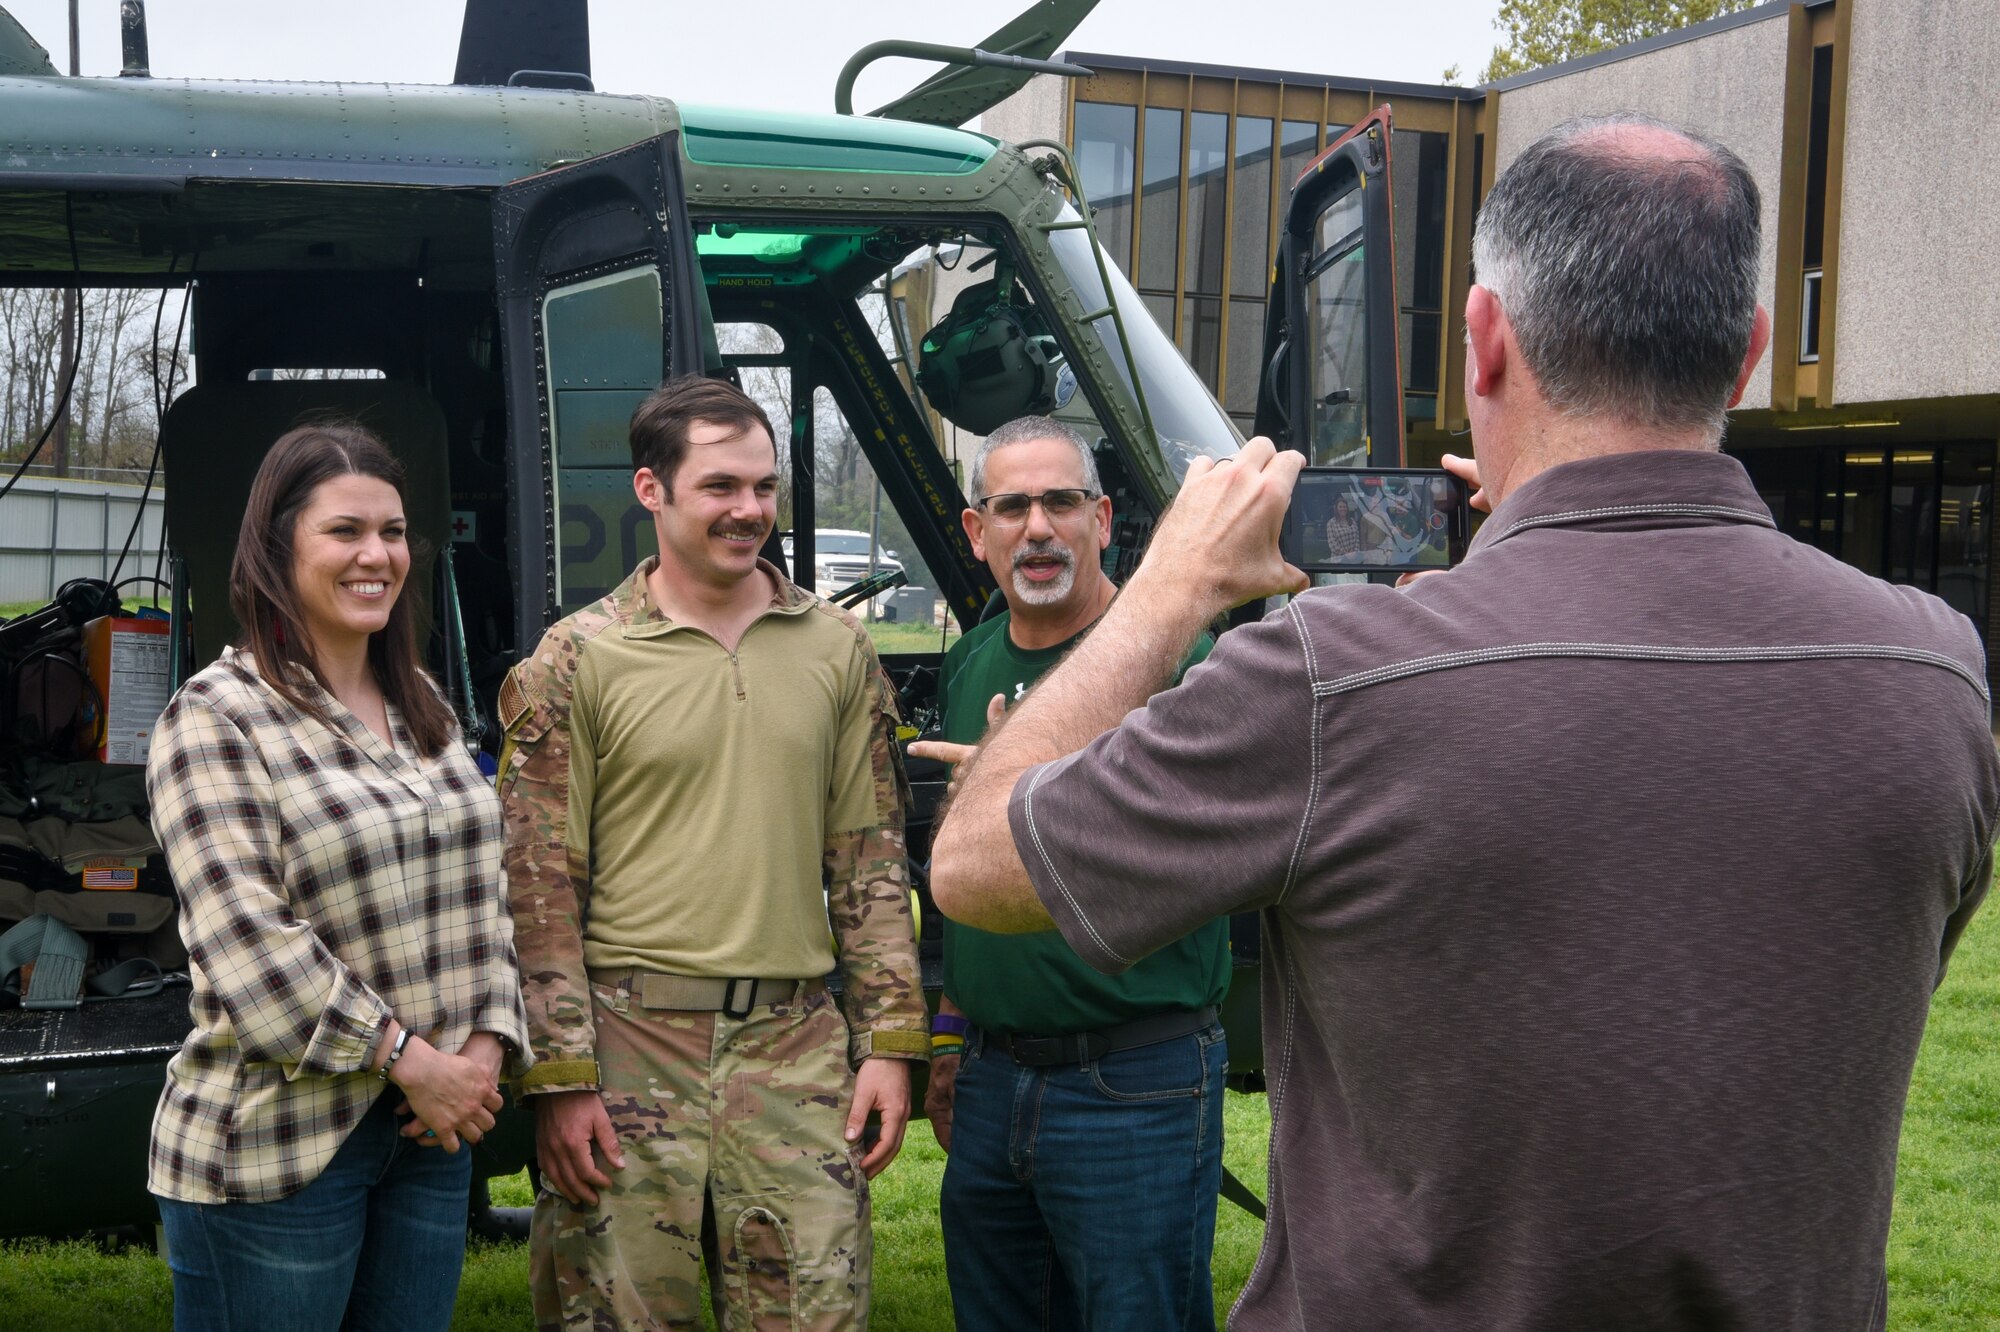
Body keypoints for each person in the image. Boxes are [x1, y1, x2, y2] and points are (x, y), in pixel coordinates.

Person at [926, 112, 1997, 1331]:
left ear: (1482, 342)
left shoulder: (1331, 679)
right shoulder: (1933, 673)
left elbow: (973, 866)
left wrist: (1169, 587)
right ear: (1745, 354)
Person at [499, 374, 927, 1331]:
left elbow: (869, 863)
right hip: (627, 1042)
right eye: (722, 488)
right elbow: (539, 891)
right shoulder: (578, 659)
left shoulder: (836, 648)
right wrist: (561, 1081)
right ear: (651, 490)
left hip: (793, 1047)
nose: (751, 512)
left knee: (813, 1308)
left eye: (765, 488)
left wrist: (891, 1044)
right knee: (613, 1314)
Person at [144, 423, 530, 1332]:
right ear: (277, 550)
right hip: (276, 1150)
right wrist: (409, 1059)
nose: (377, 555)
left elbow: (488, 894)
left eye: (394, 533)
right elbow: (249, 947)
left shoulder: (422, 708)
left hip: (428, 1139)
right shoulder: (214, 718)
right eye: (345, 531)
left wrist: (485, 1041)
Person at [906, 416, 1228, 1332]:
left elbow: (1188, 865)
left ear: (1102, 518)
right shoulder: (974, 660)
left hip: (1135, 1083)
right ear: (977, 532)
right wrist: (947, 1038)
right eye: (1010, 507)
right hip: (991, 1076)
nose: (1036, 528)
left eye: (1060, 502)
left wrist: (1030, 789)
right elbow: (965, 892)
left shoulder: (1181, 669)